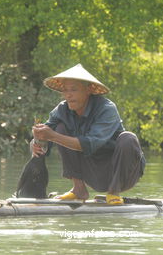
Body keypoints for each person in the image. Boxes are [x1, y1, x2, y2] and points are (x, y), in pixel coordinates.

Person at [23, 63, 145, 204]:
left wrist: (53, 136)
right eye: (65, 90)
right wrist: (37, 144)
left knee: (128, 138)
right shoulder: (62, 110)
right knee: (60, 128)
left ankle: (113, 192)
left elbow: (89, 144)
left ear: (88, 90)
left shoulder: (107, 109)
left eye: (74, 90)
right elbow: (46, 137)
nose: (68, 95)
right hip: (91, 171)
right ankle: (78, 189)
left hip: (122, 172)